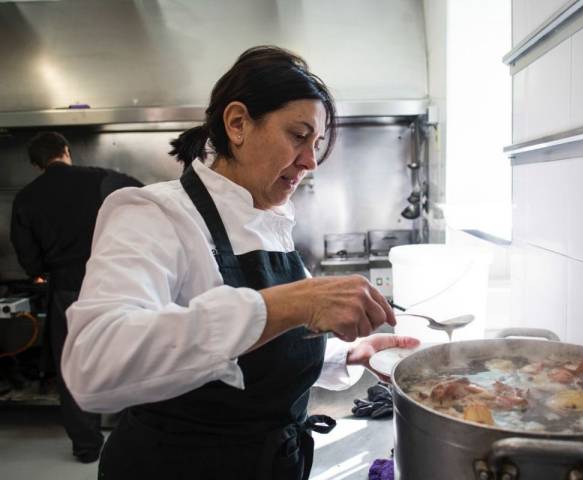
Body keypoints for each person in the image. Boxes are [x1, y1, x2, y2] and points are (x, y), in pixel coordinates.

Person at [62, 45, 418, 479]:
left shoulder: (270, 220)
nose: (310, 161)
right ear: (237, 123)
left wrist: (344, 356)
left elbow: (260, 357)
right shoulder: (153, 212)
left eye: (317, 143)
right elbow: (93, 366)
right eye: (298, 135)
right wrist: (293, 302)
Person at [10, 131, 143, 463]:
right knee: (125, 355)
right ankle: (134, 436)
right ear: (65, 151)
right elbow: (143, 195)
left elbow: (28, 258)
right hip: (113, 282)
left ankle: (87, 447)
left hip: (67, 289)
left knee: (73, 366)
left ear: (36, 163)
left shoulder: (26, 197)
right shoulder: (100, 178)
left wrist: (41, 270)